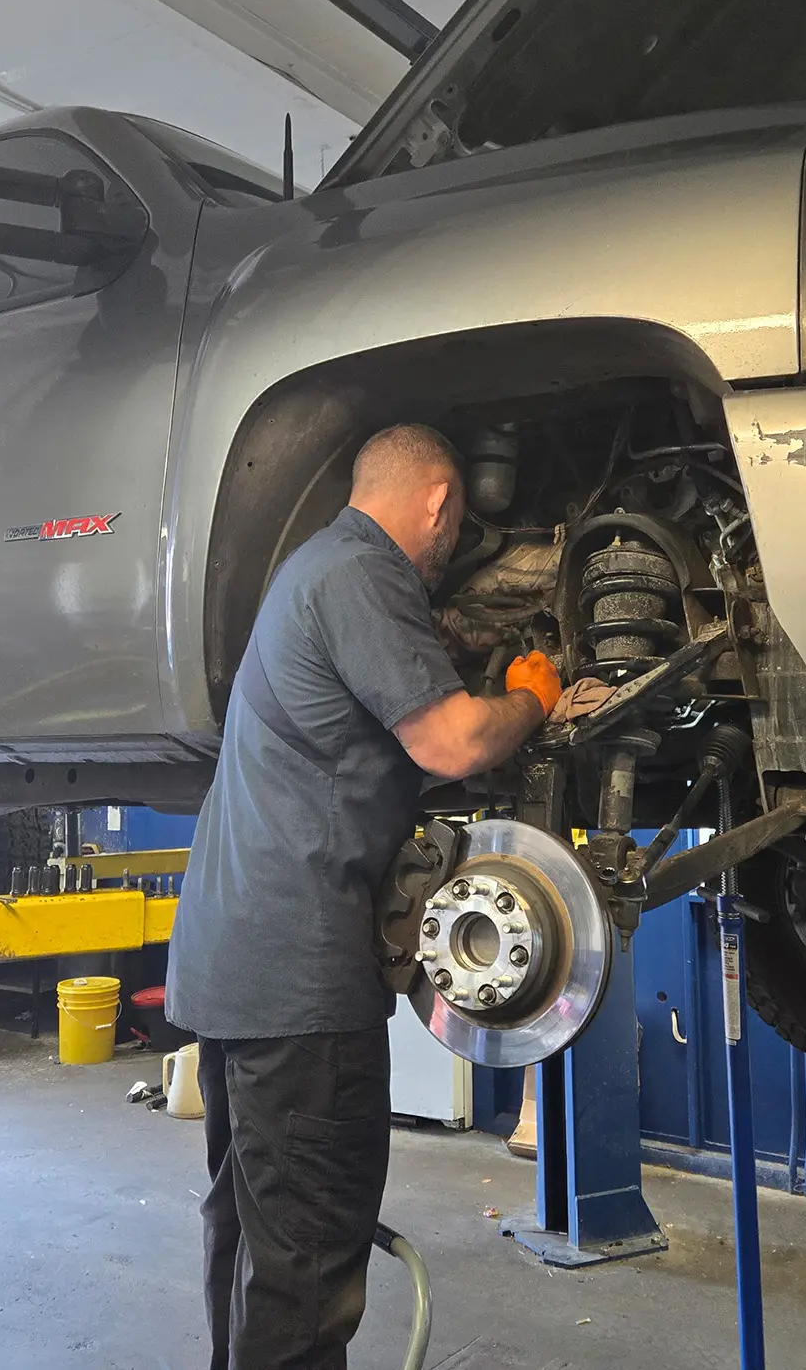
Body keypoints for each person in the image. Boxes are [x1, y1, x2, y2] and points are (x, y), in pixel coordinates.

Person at [165, 423, 564, 1370]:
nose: (449, 548)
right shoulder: (363, 573)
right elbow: (454, 743)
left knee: (258, 1243)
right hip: (297, 989)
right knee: (305, 1269)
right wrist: (535, 695)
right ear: (438, 502)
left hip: (239, 971)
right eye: (456, 525)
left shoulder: (312, 571)